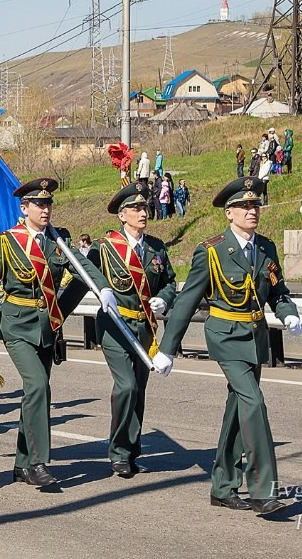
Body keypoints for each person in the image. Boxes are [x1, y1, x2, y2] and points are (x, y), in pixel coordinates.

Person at [153, 177, 302, 515]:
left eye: (255, 205)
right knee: (253, 403)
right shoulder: (212, 250)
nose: (253, 211)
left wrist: (288, 312)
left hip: (255, 337)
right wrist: (167, 348)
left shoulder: (265, 248)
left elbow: (278, 290)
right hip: (224, 336)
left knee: (238, 407)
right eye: (245, 206)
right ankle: (264, 490)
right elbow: (187, 300)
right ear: (229, 213)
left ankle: (223, 486)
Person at [0, 178, 90, 489]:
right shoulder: (7, 242)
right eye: (39, 204)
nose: (45, 209)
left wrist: (64, 309)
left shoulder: (59, 240)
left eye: (49, 203)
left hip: (47, 327)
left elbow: (83, 273)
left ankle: (21, 464)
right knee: (37, 387)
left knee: (36, 393)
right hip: (17, 326)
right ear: (24, 209)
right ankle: (37, 462)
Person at [93, 181, 177, 478]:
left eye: (145, 207)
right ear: (122, 214)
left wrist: (163, 300)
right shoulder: (104, 248)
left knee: (138, 391)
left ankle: (131, 451)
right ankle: (117, 452)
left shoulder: (155, 247)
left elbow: (169, 282)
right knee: (126, 386)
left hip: (145, 328)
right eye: (136, 208)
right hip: (115, 327)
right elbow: (84, 274)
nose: (143, 213)